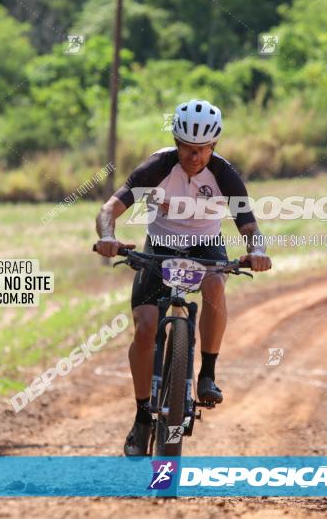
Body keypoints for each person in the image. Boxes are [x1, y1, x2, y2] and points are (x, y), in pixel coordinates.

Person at [95, 99, 271, 456]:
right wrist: (108, 236)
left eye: (203, 149)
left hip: (206, 247)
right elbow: (109, 208)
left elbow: (249, 225)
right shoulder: (157, 166)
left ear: (214, 145)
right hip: (159, 247)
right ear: (176, 143)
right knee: (145, 328)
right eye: (188, 149)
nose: (194, 157)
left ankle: (207, 373)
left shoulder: (224, 174)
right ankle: (143, 415)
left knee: (216, 284)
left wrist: (257, 250)